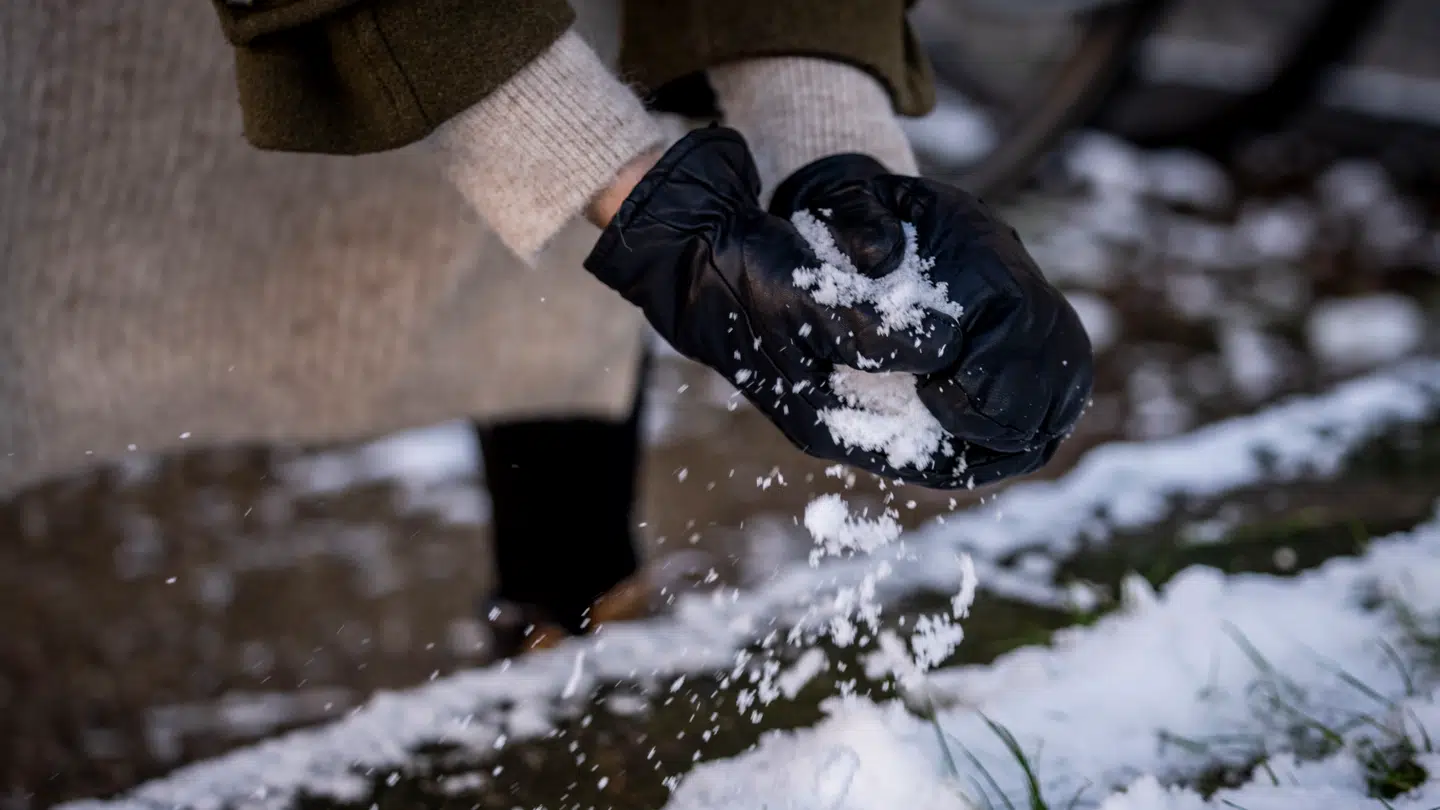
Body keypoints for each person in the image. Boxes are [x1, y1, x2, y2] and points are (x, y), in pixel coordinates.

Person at [1, 0, 1091, 656]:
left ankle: (571, 655)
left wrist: (829, 148)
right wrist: (605, 167)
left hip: (563, 35)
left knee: (531, 330)